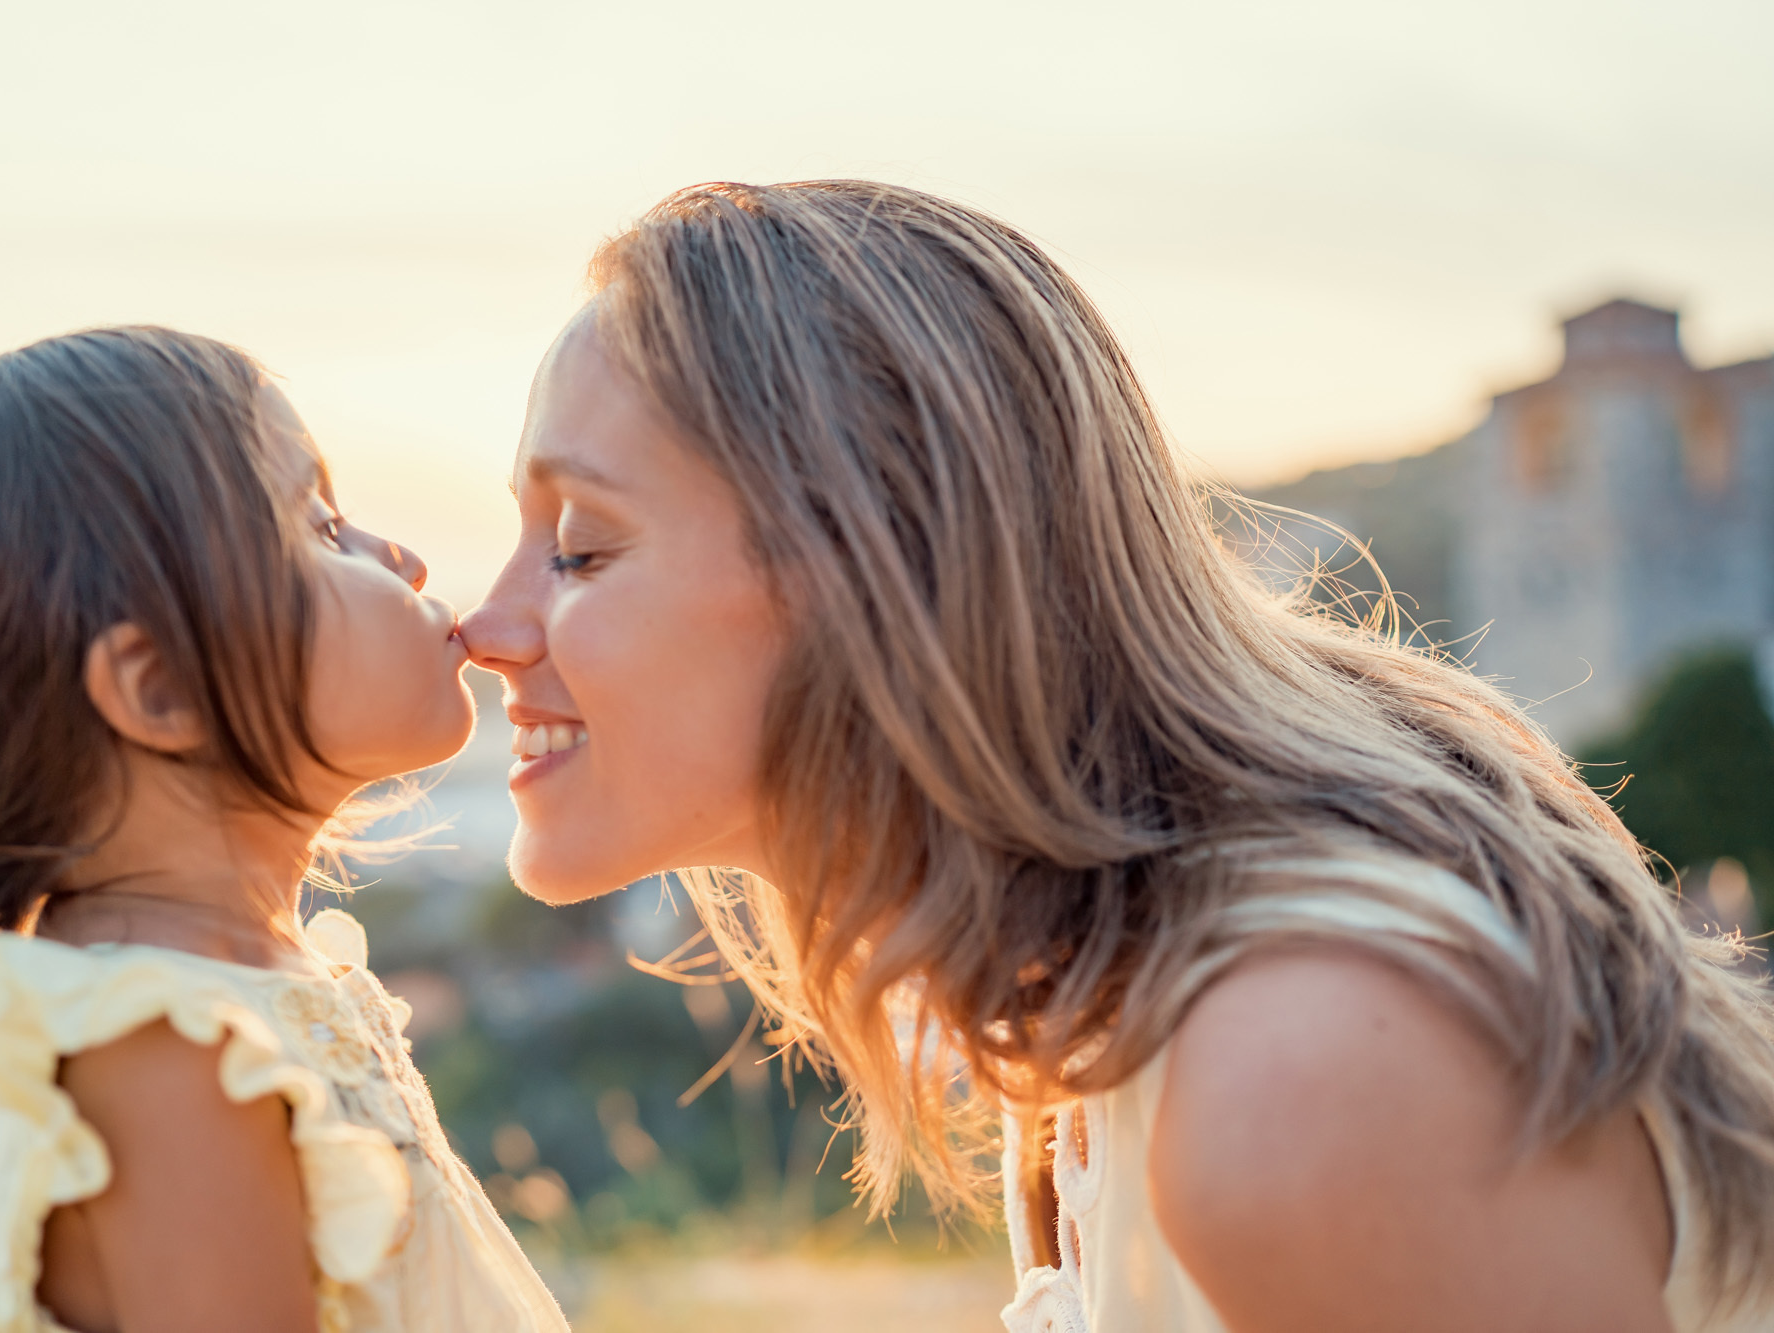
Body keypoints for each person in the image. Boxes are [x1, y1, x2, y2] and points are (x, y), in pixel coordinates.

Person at [463, 180, 1774, 1332]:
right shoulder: (1099, 1011)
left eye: (580, 543)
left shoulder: (1302, 1077)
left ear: (876, 571)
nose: (487, 624)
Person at [0, 328, 568, 1333]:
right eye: (321, 529)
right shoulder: (165, 1054)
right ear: (158, 688)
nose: (399, 555)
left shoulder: (209, 1000)